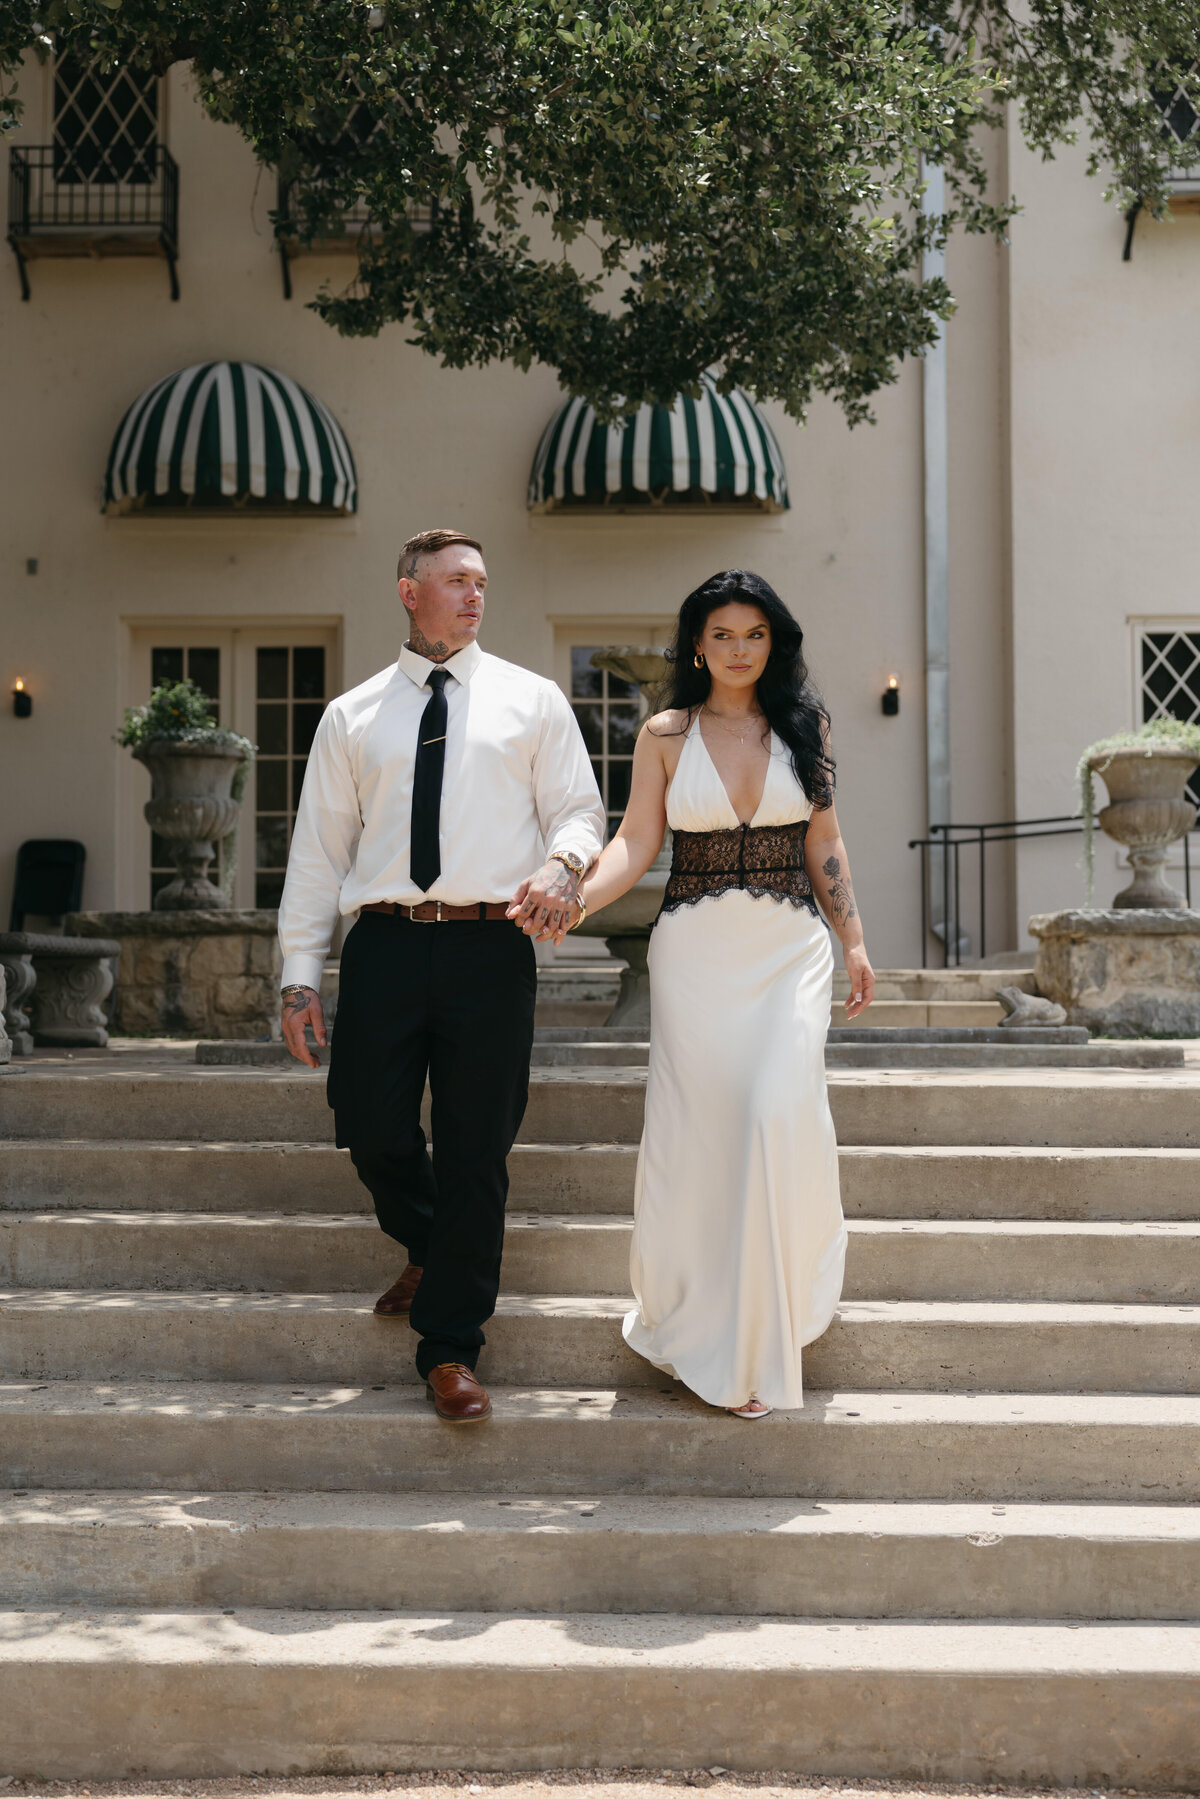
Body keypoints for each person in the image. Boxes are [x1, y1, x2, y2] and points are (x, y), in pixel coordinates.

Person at [276, 529, 605, 1423]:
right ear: (407, 591)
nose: (473, 595)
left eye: (482, 583)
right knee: (370, 1124)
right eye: (456, 580)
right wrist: (299, 976)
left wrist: (563, 862)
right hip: (383, 942)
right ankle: (429, 1241)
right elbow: (317, 855)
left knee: (476, 1145)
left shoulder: (531, 702)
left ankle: (450, 1348)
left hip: (489, 947)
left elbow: (580, 806)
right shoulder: (351, 715)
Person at [572, 569, 874, 1417]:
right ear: (697, 645)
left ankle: (770, 1317)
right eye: (723, 635)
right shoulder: (667, 734)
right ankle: (710, 1326)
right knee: (707, 1134)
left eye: (756, 635)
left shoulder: (803, 724)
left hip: (788, 949)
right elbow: (635, 842)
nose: (740, 649)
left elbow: (826, 840)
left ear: (773, 643)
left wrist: (852, 937)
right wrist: (575, 896)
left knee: (772, 1111)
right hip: (695, 952)